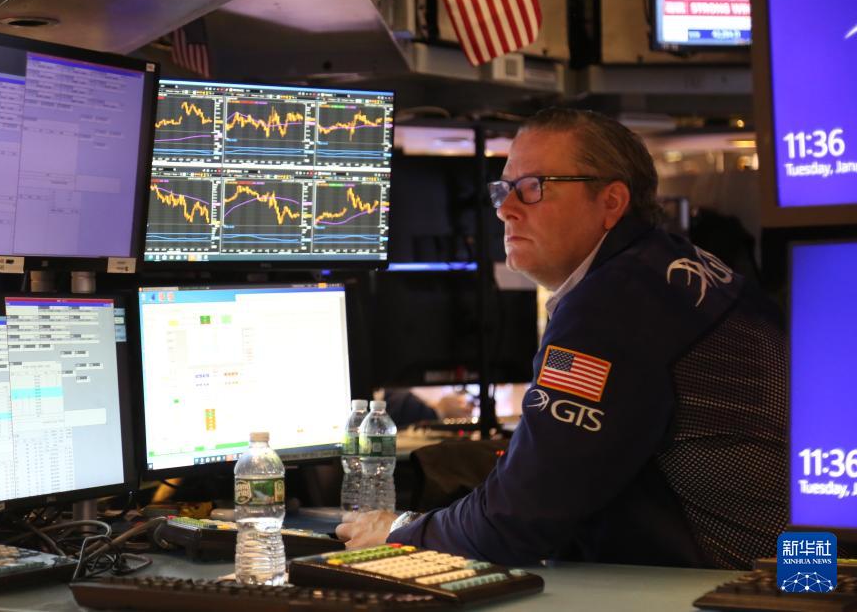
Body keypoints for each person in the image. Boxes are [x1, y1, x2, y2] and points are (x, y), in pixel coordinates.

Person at [337, 108, 787, 569]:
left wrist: (401, 533)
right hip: (800, 567)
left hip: (737, 584)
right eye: (503, 190)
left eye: (534, 187)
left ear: (611, 202)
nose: (506, 209)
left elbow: (518, 519)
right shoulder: (672, 268)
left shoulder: (611, 307)